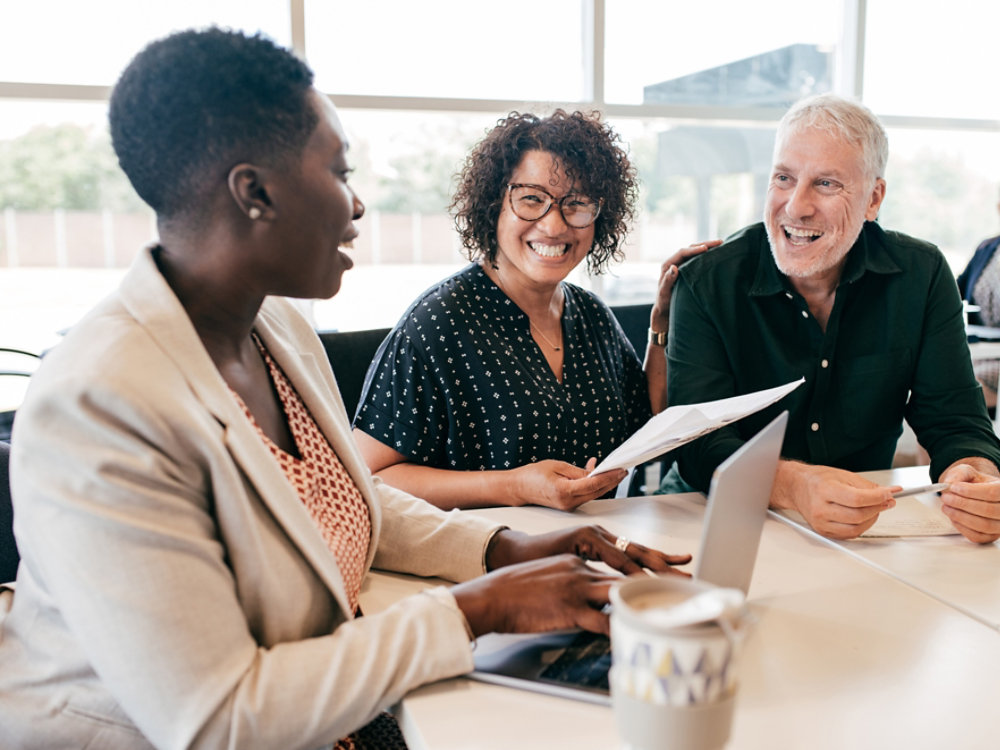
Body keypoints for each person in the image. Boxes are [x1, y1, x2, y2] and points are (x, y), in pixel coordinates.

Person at [0, 28, 691, 749]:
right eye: (338, 170)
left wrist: (506, 550)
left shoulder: (277, 329)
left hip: (338, 710)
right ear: (255, 192)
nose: (357, 205)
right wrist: (475, 610)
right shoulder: (97, 403)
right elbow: (218, 719)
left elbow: (343, 501)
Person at [666, 93, 1000, 544]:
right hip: (713, 516)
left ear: (873, 198)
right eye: (784, 178)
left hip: (864, 529)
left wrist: (973, 477)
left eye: (825, 184)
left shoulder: (921, 274)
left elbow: (956, 423)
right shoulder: (706, 282)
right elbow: (699, 445)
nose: (796, 207)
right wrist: (795, 485)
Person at [353, 110, 707, 511]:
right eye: (531, 199)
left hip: (592, 546)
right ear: (494, 205)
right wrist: (514, 486)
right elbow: (370, 477)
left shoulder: (590, 315)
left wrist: (662, 325)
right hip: (484, 558)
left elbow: (649, 422)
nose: (554, 226)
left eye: (576, 203)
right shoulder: (438, 323)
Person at [957, 199, 1000, 408]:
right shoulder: (987, 247)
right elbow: (954, 290)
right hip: (979, 350)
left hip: (994, 362)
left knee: (956, 393)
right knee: (933, 381)